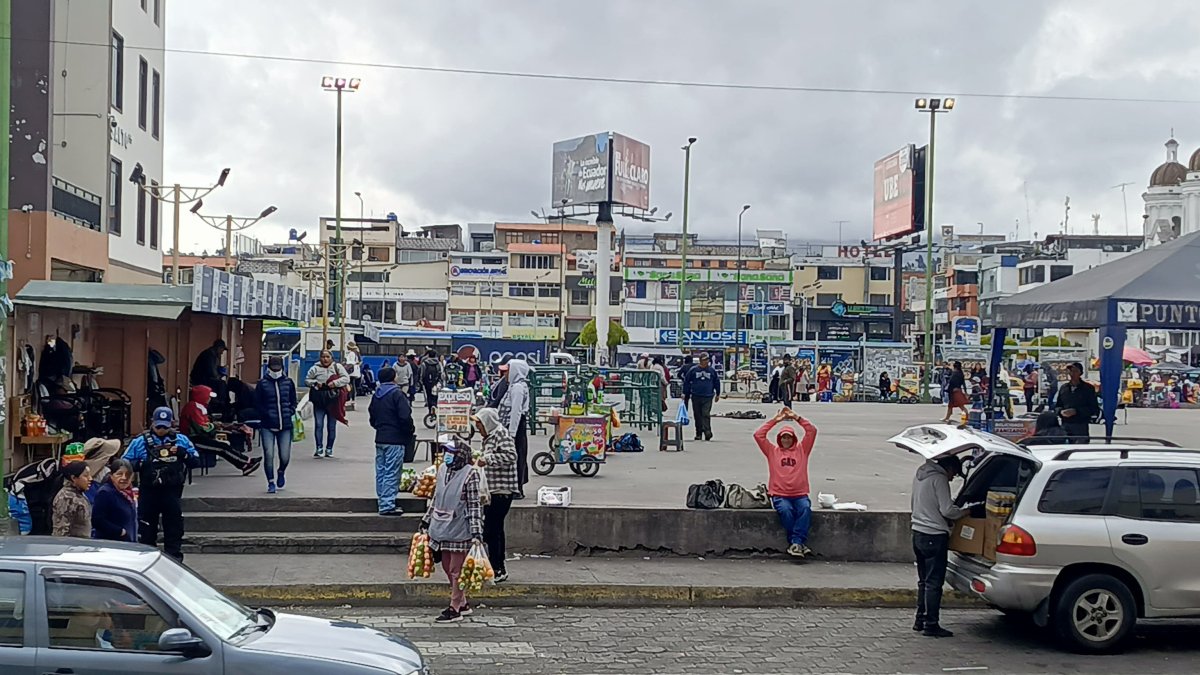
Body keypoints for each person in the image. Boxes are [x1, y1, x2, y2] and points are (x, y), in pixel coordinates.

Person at [420, 439, 484, 623]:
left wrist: (476, 533)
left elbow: (474, 506)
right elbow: (436, 498)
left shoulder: (470, 474)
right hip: (440, 526)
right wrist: (426, 520)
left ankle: (454, 606)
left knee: (457, 569)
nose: (447, 455)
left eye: (451, 452)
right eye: (446, 451)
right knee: (447, 566)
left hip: (459, 528)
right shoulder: (442, 470)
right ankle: (462, 602)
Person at [124, 407, 200, 561]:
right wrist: (140, 464)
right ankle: (147, 560)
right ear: (152, 423)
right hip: (149, 492)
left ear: (171, 424)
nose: (161, 430)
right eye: (158, 426)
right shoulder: (140, 441)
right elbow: (124, 463)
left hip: (172, 492)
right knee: (147, 530)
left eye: (165, 427)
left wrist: (182, 453)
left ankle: (174, 561)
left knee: (174, 529)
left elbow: (196, 461)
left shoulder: (181, 440)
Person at [911, 454, 971, 638]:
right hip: (934, 535)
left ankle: (920, 620)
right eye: (953, 473)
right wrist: (966, 511)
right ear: (949, 468)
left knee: (924, 580)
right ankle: (931, 624)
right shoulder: (939, 479)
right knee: (934, 583)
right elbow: (947, 510)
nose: (952, 478)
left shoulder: (920, 473)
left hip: (917, 532)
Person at [754, 407, 818, 558]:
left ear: (794, 439)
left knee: (805, 509)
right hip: (780, 494)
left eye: (789, 437)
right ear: (779, 439)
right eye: (784, 438)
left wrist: (796, 417)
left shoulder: (802, 450)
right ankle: (797, 543)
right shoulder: (772, 451)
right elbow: (758, 435)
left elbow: (812, 431)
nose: (786, 440)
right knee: (786, 511)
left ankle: (796, 543)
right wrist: (776, 420)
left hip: (800, 494)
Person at [474, 408, 519, 582]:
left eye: (480, 425)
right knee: (495, 530)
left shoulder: (501, 435)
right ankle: (496, 566)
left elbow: (511, 455)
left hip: (501, 491)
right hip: (491, 490)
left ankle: (498, 567)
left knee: (492, 530)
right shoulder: (489, 437)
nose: (479, 429)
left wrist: (489, 459)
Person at [180, 385, 262, 475]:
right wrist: (215, 426)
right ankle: (245, 463)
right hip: (193, 439)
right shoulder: (193, 407)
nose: (209, 399)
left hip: (200, 436)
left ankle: (246, 462)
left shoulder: (199, 407)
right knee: (221, 448)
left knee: (223, 445)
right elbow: (202, 427)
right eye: (208, 397)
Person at [368, 367, 414, 516]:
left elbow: (372, 417)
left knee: (381, 471)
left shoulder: (377, 395)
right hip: (395, 439)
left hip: (380, 437)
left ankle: (382, 500)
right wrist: (409, 431)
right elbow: (405, 416)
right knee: (392, 472)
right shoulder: (397, 394)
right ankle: (387, 504)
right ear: (393, 378)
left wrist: (379, 427)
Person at [256, 355, 297, 494]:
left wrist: (290, 411)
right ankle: (271, 482)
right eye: (273, 368)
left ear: (282, 367)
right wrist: (264, 414)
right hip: (267, 425)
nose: (275, 370)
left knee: (285, 456)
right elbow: (257, 403)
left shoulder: (288, 382)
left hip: (285, 425)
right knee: (269, 454)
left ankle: (281, 471)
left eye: (278, 368)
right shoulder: (262, 384)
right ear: (268, 368)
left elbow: (293, 401)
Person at [306, 349, 350, 458]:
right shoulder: (314, 368)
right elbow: (307, 380)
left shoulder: (337, 367)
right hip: (319, 401)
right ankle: (319, 448)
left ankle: (329, 448)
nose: (325, 359)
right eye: (323, 357)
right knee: (319, 425)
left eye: (327, 357)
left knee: (331, 426)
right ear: (320, 358)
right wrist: (316, 383)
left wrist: (335, 383)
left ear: (331, 358)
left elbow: (346, 379)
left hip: (333, 401)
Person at [500, 359, 531, 499]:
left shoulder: (518, 388)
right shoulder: (515, 386)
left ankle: (517, 489)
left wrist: (511, 433)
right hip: (515, 426)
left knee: (516, 456)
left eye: (507, 370)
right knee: (518, 455)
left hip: (516, 427)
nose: (504, 373)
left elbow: (516, 412)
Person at [92, 458, 138, 542]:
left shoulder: (128, 493)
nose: (124, 478)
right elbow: (97, 521)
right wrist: (120, 532)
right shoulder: (105, 492)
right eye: (119, 474)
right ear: (111, 476)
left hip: (128, 545)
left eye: (128, 474)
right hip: (111, 546)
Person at [1055, 362, 1099, 443]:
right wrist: (1061, 412)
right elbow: (1057, 406)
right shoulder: (1064, 388)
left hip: (1080, 426)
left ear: (1080, 373)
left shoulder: (1088, 389)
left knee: (1080, 451)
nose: (1072, 373)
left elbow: (1094, 409)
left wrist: (1076, 411)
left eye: (1075, 371)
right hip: (1065, 425)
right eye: (1070, 371)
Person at [683, 353, 721, 441]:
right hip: (696, 395)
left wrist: (718, 393)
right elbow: (687, 382)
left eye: (707, 359)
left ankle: (707, 432)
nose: (706, 361)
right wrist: (685, 393)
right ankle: (698, 433)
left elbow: (716, 382)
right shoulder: (693, 370)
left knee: (706, 414)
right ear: (700, 360)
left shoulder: (711, 371)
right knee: (697, 415)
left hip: (708, 396)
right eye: (704, 360)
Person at [52, 460, 92, 538]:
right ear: (73, 478)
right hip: (72, 547)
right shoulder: (66, 498)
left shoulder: (79, 493)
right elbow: (61, 532)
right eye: (86, 476)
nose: (90, 479)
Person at [190, 338, 228, 406]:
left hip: (202, 378)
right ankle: (220, 404)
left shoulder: (211, 354)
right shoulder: (210, 355)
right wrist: (219, 375)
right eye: (222, 350)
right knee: (222, 384)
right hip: (201, 379)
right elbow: (212, 372)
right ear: (219, 348)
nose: (222, 352)